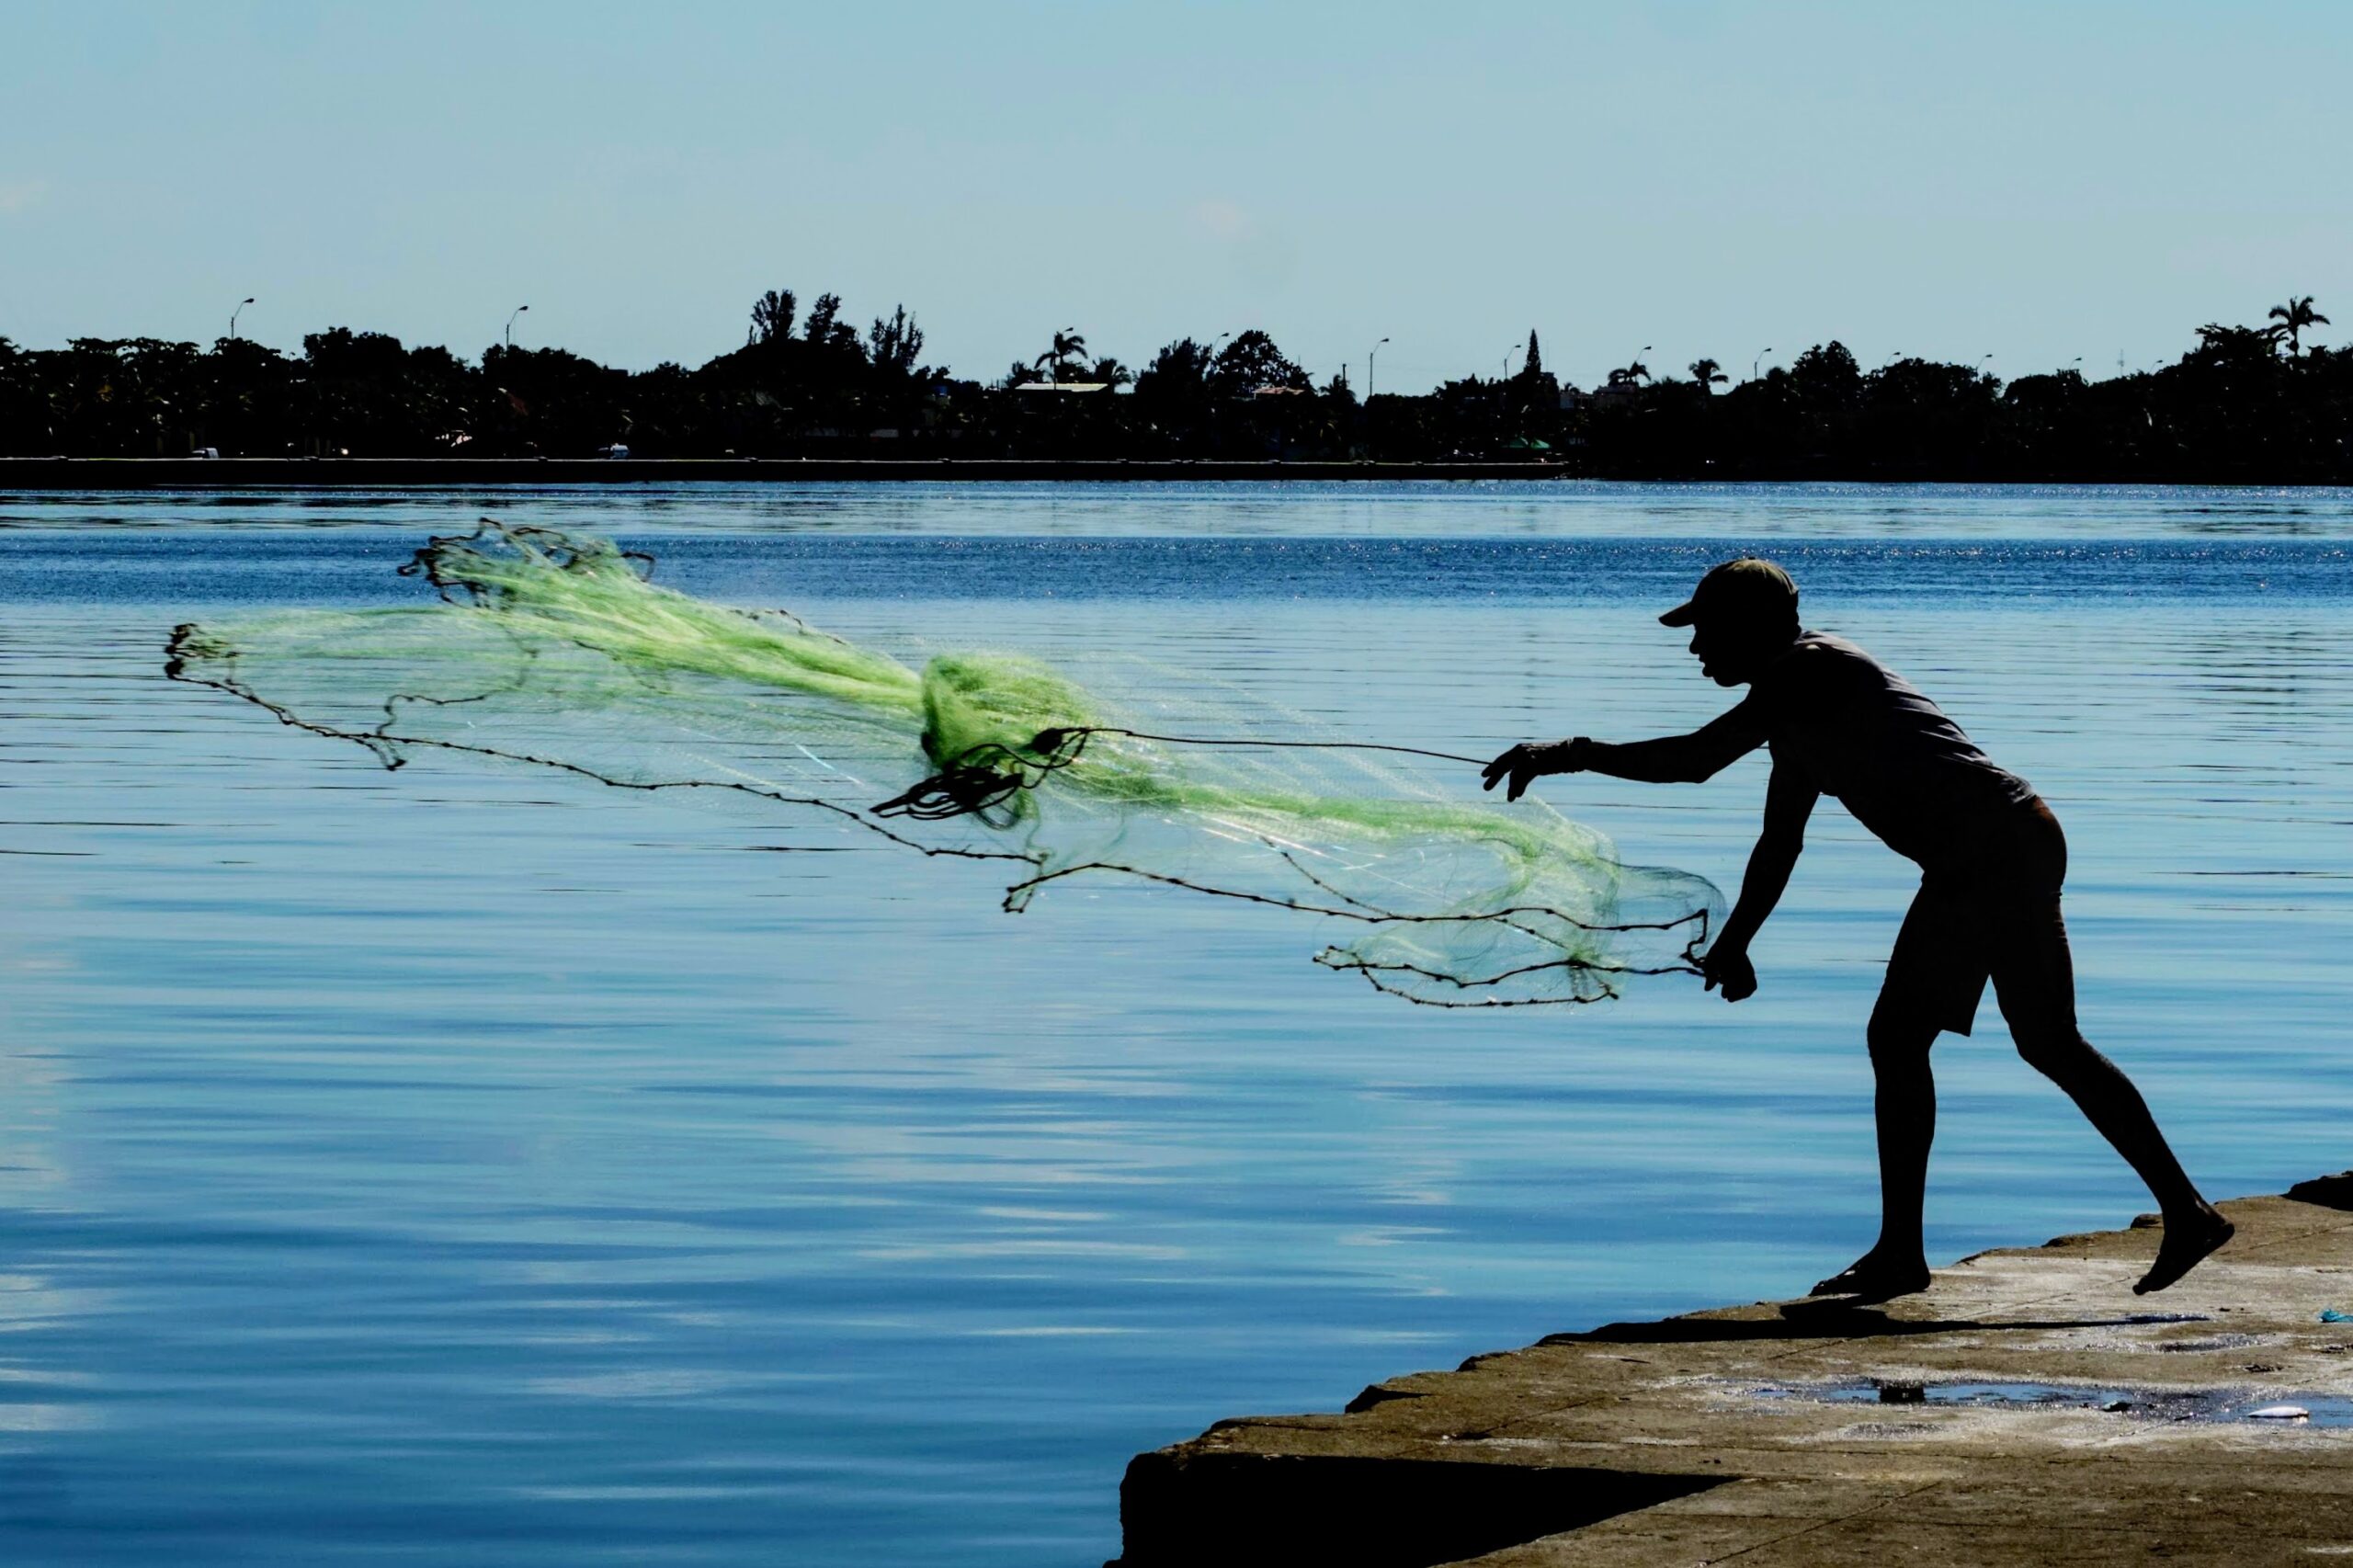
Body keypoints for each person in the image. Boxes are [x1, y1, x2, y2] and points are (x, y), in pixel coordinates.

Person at [1482, 558, 2231, 1299]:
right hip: (1997, 848)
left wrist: (1569, 754)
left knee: (1934, 1038)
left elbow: (1697, 760)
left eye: (1706, 629)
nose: (1695, 648)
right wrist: (1737, 940)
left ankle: (1912, 1253)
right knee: (2026, 1041)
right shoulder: (1795, 714)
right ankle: (2174, 1214)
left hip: (1995, 846)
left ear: (1750, 626)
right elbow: (1780, 844)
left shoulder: (1811, 670)